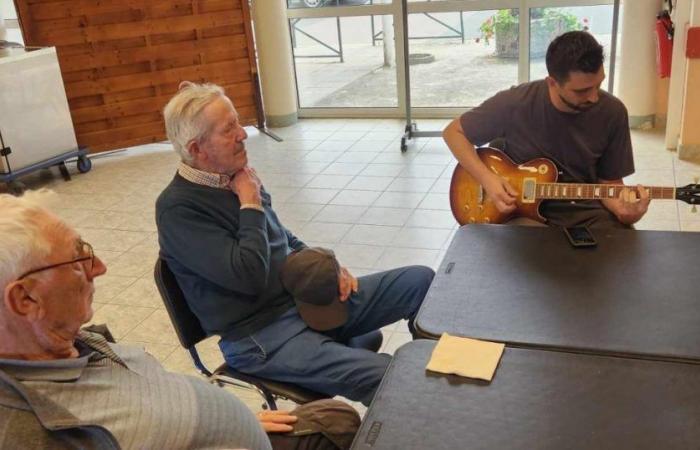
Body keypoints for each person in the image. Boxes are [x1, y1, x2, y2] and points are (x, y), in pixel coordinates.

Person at [0, 191, 360, 450]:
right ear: (25, 298)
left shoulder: (69, 343)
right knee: (344, 424)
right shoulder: (32, 430)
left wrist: (229, 416)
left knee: (338, 418)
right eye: (78, 260)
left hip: (241, 429)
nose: (99, 267)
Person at [156, 82, 435, 406]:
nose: (243, 134)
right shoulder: (178, 210)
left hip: (304, 302)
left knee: (421, 281)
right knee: (393, 377)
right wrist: (250, 203)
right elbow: (248, 274)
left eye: (238, 122)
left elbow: (281, 236)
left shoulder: (235, 176)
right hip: (259, 337)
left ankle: (450, 377)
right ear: (197, 149)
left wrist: (325, 269)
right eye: (229, 129)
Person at [443, 30, 650, 228]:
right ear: (552, 82)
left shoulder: (613, 112)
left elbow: (609, 182)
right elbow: (454, 133)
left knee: (621, 252)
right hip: (520, 214)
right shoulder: (516, 103)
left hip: (584, 211)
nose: (594, 97)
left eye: (598, 85)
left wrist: (625, 211)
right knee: (538, 260)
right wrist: (488, 180)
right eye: (582, 91)